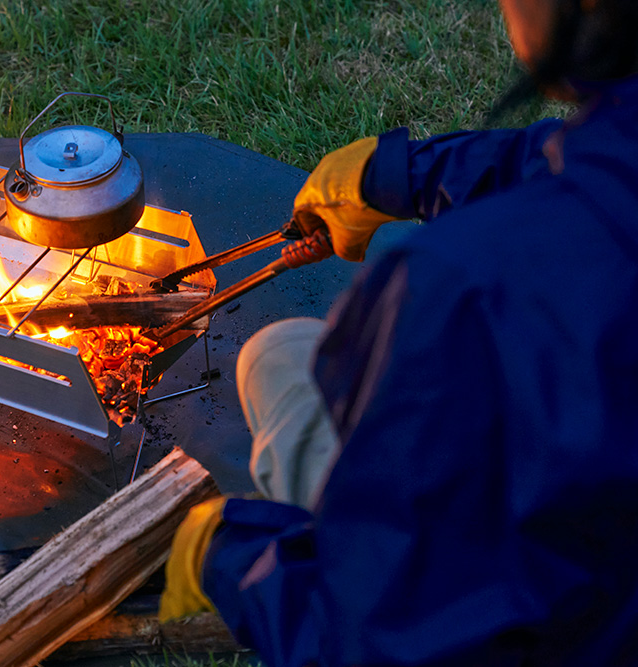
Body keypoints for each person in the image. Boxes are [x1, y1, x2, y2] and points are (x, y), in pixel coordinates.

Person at [159, 0, 638, 665]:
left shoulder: (461, 292)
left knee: (276, 354)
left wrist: (229, 554)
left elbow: (379, 641)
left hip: (544, 616)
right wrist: (405, 177)